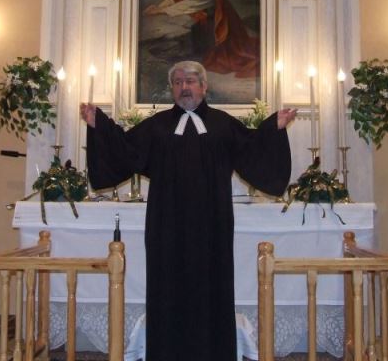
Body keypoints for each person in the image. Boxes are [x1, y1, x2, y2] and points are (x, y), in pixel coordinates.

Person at [80, 60, 296, 361]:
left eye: (191, 81)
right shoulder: (157, 126)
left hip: (213, 226)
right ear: (172, 88)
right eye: (178, 82)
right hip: (166, 226)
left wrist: (274, 127)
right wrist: (99, 124)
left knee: (212, 288)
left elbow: (251, 147)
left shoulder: (222, 124)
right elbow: (125, 148)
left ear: (204, 87)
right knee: (167, 288)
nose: (184, 87)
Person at [143, 0, 260, 78]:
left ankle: (200, 53)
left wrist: (160, 11)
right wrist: (158, 7)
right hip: (200, 14)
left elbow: (188, 4)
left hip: (215, 20)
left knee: (219, 53)